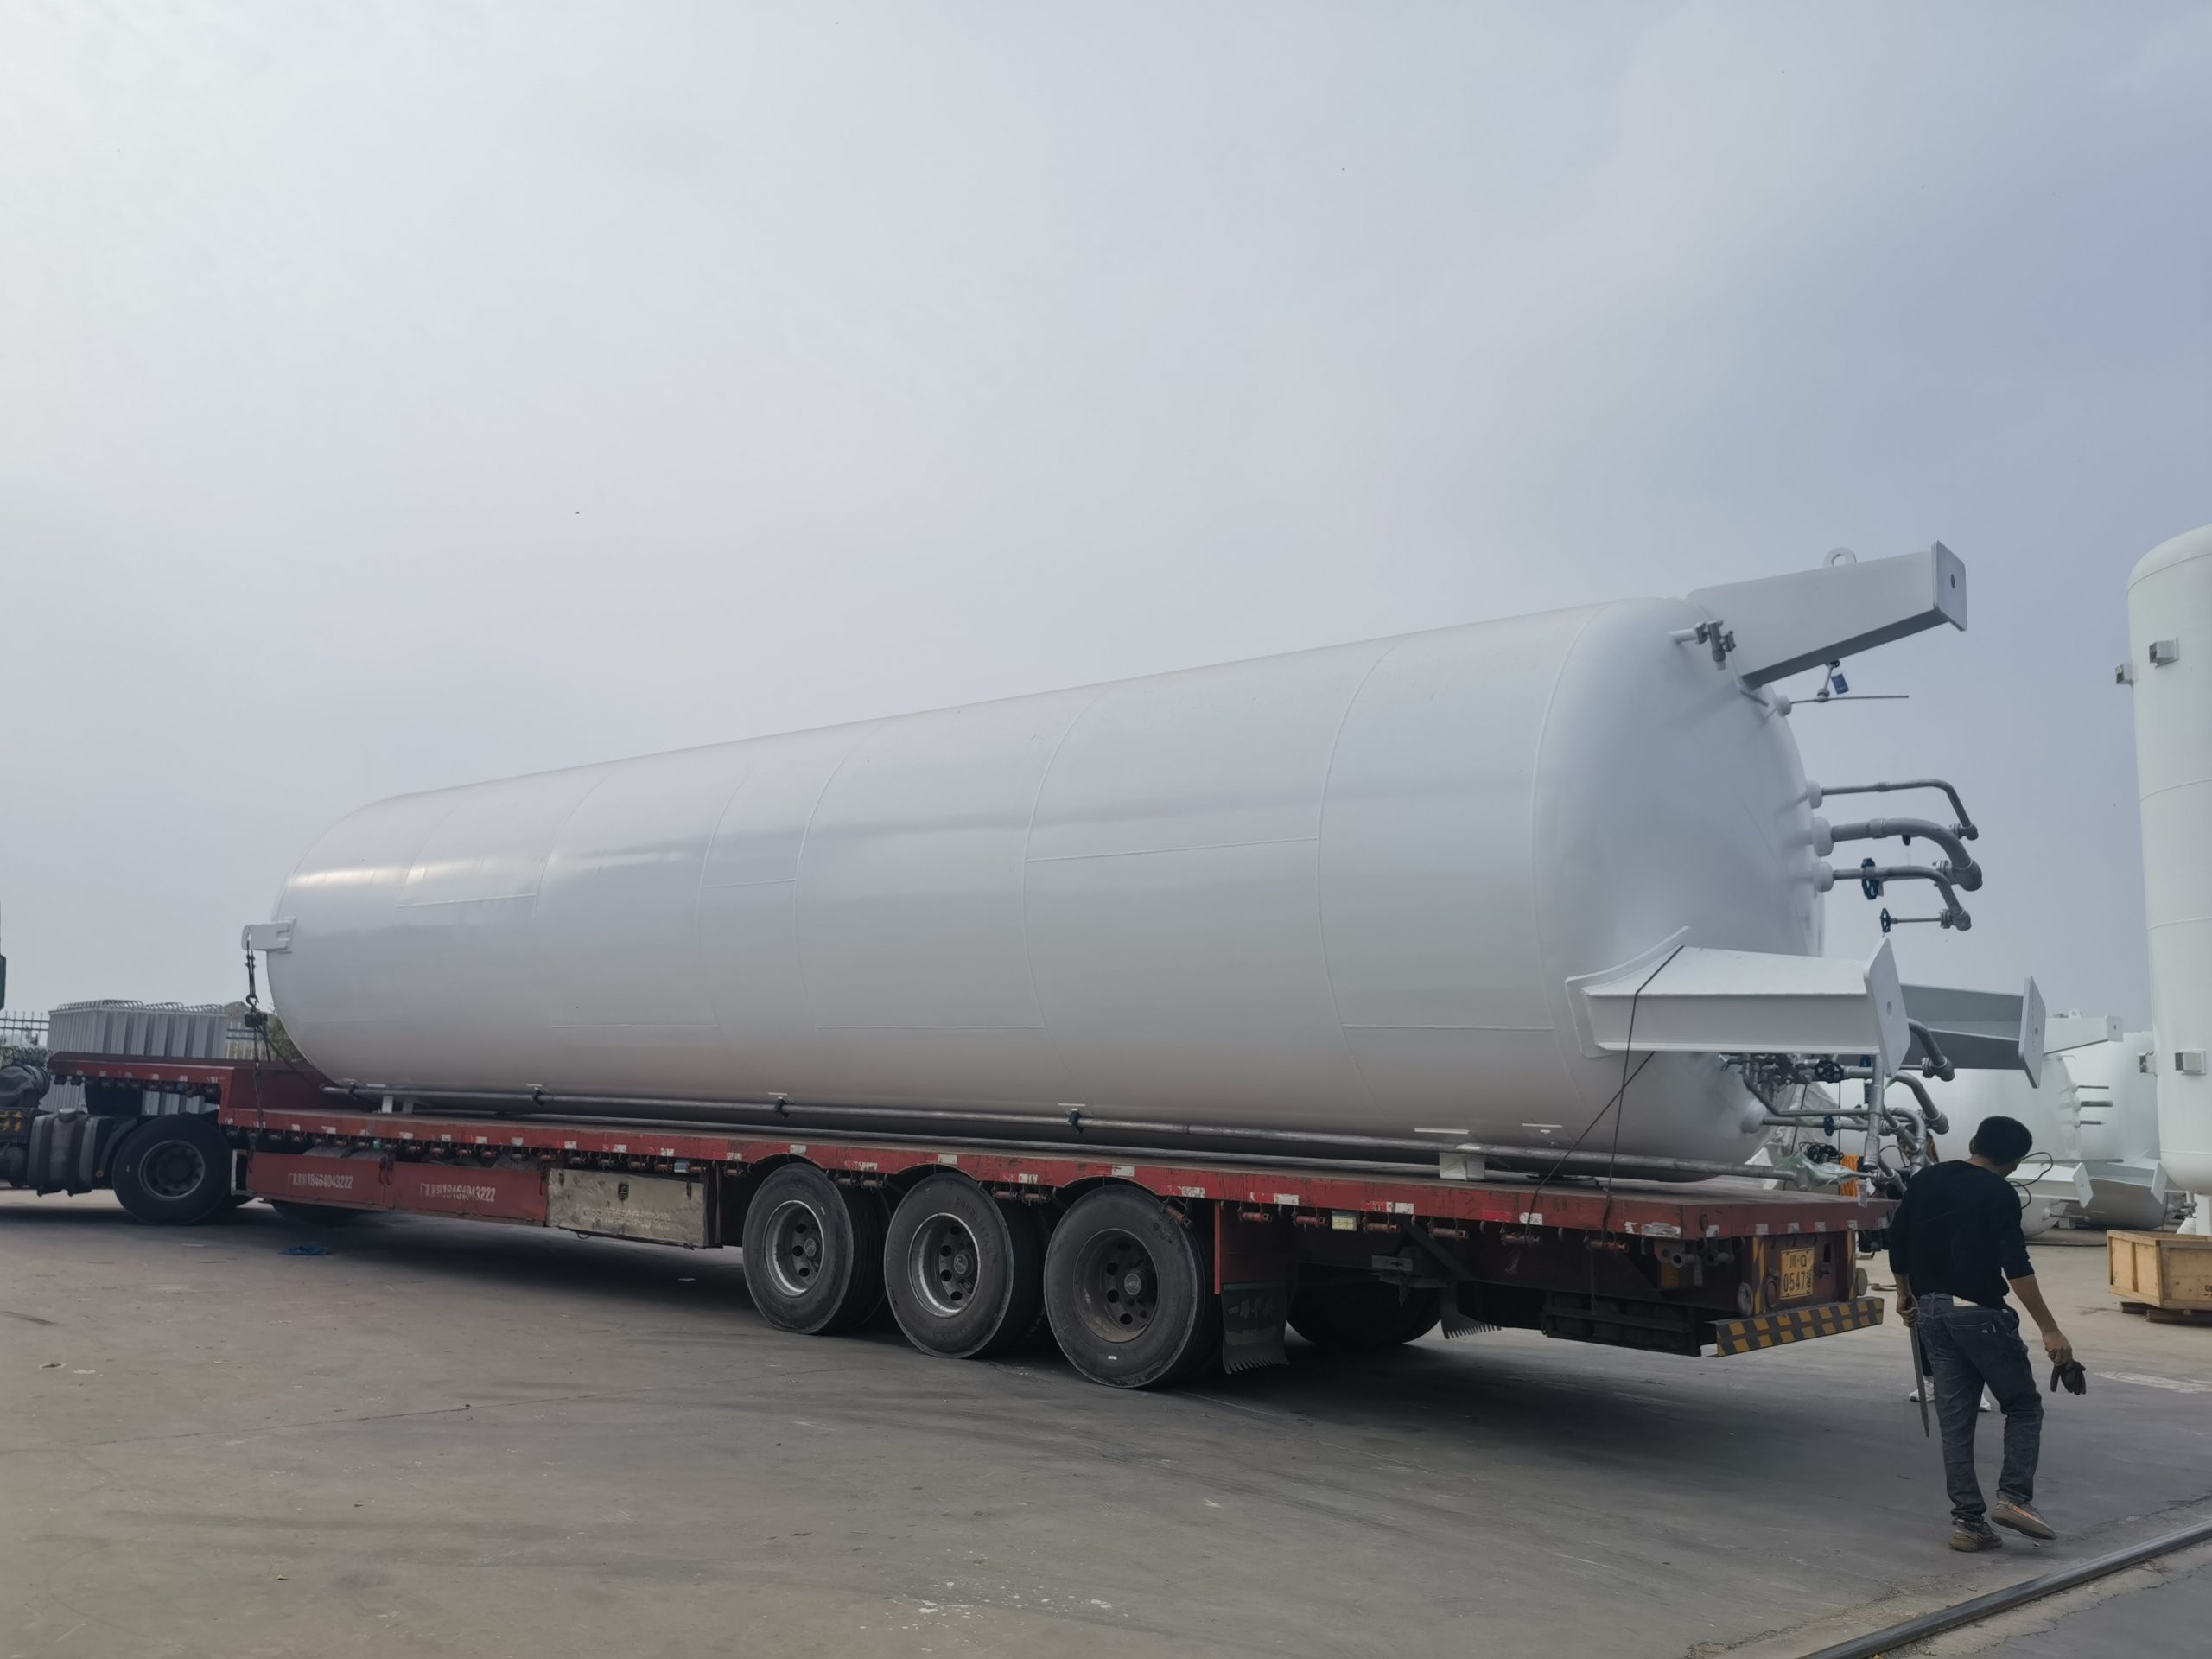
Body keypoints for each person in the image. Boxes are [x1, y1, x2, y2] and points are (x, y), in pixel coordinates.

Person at [1888, 1114, 2075, 1552]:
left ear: (1973, 1141)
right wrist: (2050, 1329)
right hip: (1980, 1314)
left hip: (1931, 1310)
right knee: (2024, 1406)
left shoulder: (1927, 1179)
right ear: (2015, 1160)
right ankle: (2014, 1498)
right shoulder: (2001, 1193)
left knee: (1956, 1421)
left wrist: (1904, 1294)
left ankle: (1969, 1524)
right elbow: (2016, 1267)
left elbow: (1898, 1239)